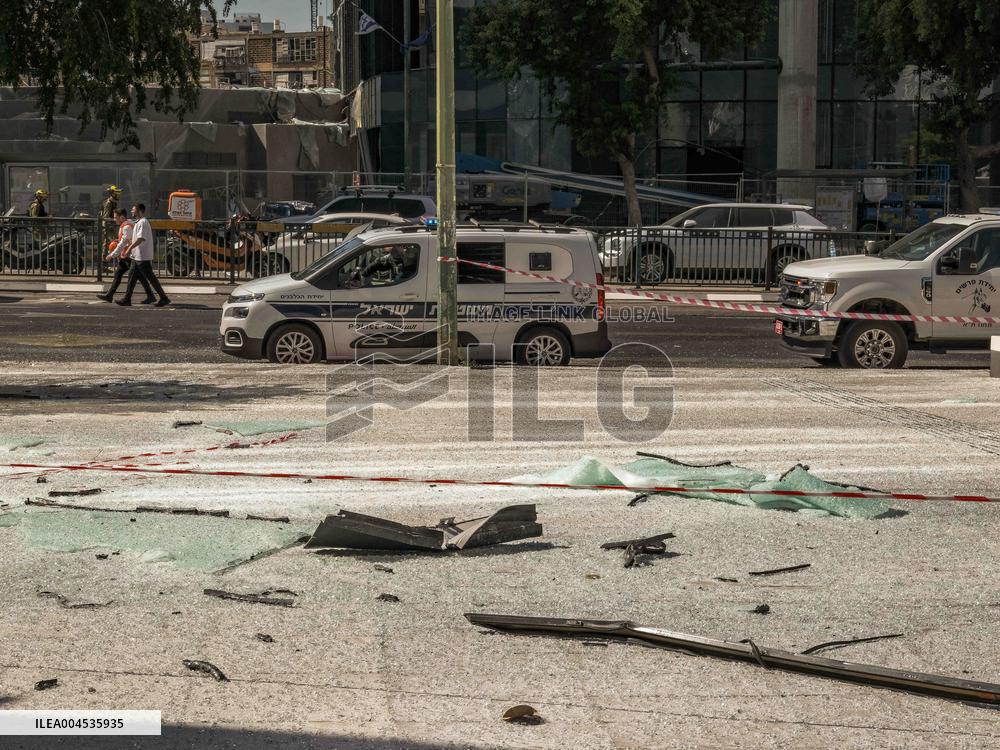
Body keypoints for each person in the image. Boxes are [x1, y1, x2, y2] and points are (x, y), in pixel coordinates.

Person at [116, 203, 171, 307]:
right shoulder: (139, 222)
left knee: (151, 278)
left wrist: (130, 248)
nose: (131, 211)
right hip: (137, 256)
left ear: (139, 211)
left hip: (142, 256)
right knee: (132, 277)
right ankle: (127, 299)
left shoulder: (143, 222)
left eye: (133, 210)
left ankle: (164, 298)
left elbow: (141, 238)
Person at [97, 209, 154, 303]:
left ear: (122, 217)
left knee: (138, 276)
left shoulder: (127, 227)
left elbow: (123, 243)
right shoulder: (126, 225)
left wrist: (112, 255)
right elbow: (124, 241)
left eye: (116, 217)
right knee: (119, 274)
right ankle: (110, 295)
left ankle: (147, 296)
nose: (114, 219)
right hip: (126, 255)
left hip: (130, 255)